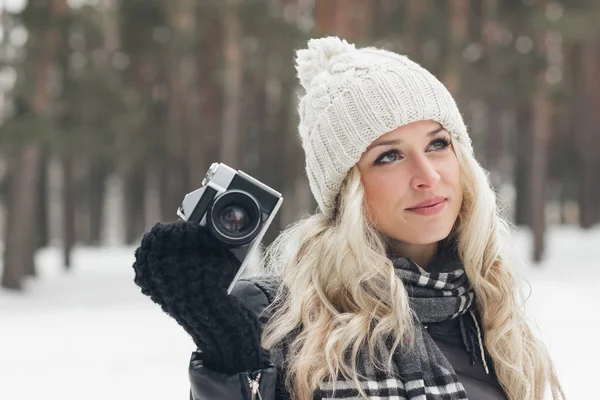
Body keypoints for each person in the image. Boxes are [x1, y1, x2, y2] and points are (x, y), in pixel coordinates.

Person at [132, 36, 564, 400]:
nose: (427, 176)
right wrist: (227, 359)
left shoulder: (492, 316)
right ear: (347, 190)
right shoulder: (279, 318)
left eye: (437, 144)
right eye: (389, 156)